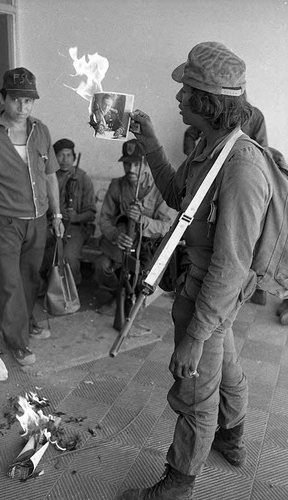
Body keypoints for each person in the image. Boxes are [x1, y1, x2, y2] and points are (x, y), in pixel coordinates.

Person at [119, 42, 273, 500]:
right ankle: (232, 437)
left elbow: (230, 265)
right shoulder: (211, 146)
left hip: (210, 293)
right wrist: (148, 142)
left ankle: (178, 484)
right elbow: (177, 197)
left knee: (194, 394)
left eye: (185, 89)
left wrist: (194, 335)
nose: (178, 97)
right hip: (201, 288)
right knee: (224, 367)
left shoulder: (242, 167)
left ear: (206, 100)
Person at [0, 67, 64, 367]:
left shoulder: (41, 130)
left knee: (30, 277)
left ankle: (27, 318)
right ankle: (17, 341)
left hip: (38, 218)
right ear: (2, 98)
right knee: (9, 281)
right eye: (17, 100)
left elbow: (50, 176)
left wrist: (56, 214)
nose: (23, 107)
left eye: (29, 101)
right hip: (4, 220)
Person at [183, 105, 269, 307]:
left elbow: (262, 151)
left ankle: (245, 290)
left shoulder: (256, 117)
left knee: (236, 246)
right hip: (211, 183)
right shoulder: (213, 112)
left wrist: (246, 172)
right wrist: (192, 162)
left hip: (239, 181)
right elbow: (190, 136)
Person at [94, 138, 173, 317]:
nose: (131, 169)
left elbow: (166, 226)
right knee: (101, 265)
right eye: (127, 164)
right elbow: (105, 219)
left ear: (146, 165)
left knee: (143, 276)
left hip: (148, 247)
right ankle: (118, 297)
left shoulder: (160, 188)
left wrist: (143, 220)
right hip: (122, 244)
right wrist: (115, 235)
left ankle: (134, 303)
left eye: (136, 164)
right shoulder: (117, 185)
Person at [40, 138, 96, 287]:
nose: (64, 160)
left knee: (69, 256)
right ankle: (43, 283)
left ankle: (70, 289)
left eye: (68, 155)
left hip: (76, 227)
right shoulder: (48, 177)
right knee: (36, 246)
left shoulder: (83, 179)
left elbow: (91, 212)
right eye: (60, 155)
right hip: (52, 223)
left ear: (74, 157)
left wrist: (76, 217)